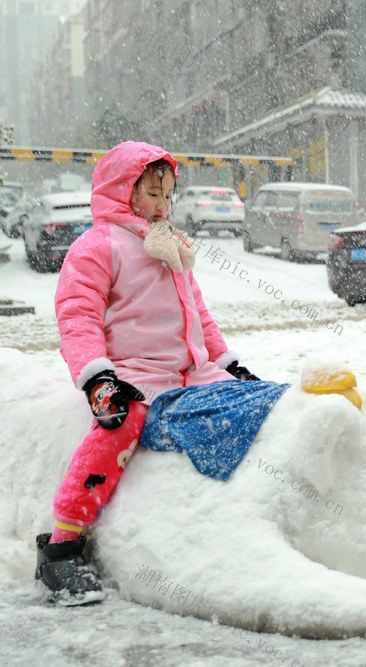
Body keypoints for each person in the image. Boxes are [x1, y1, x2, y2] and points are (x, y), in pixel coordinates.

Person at [37, 141, 262, 604]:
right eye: (151, 194)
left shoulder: (170, 246)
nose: (161, 205)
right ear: (123, 191)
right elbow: (77, 316)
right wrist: (99, 380)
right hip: (134, 375)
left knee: (260, 404)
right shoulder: (97, 246)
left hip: (194, 373)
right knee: (119, 430)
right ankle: (62, 544)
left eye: (167, 196)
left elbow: (199, 315)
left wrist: (227, 364)